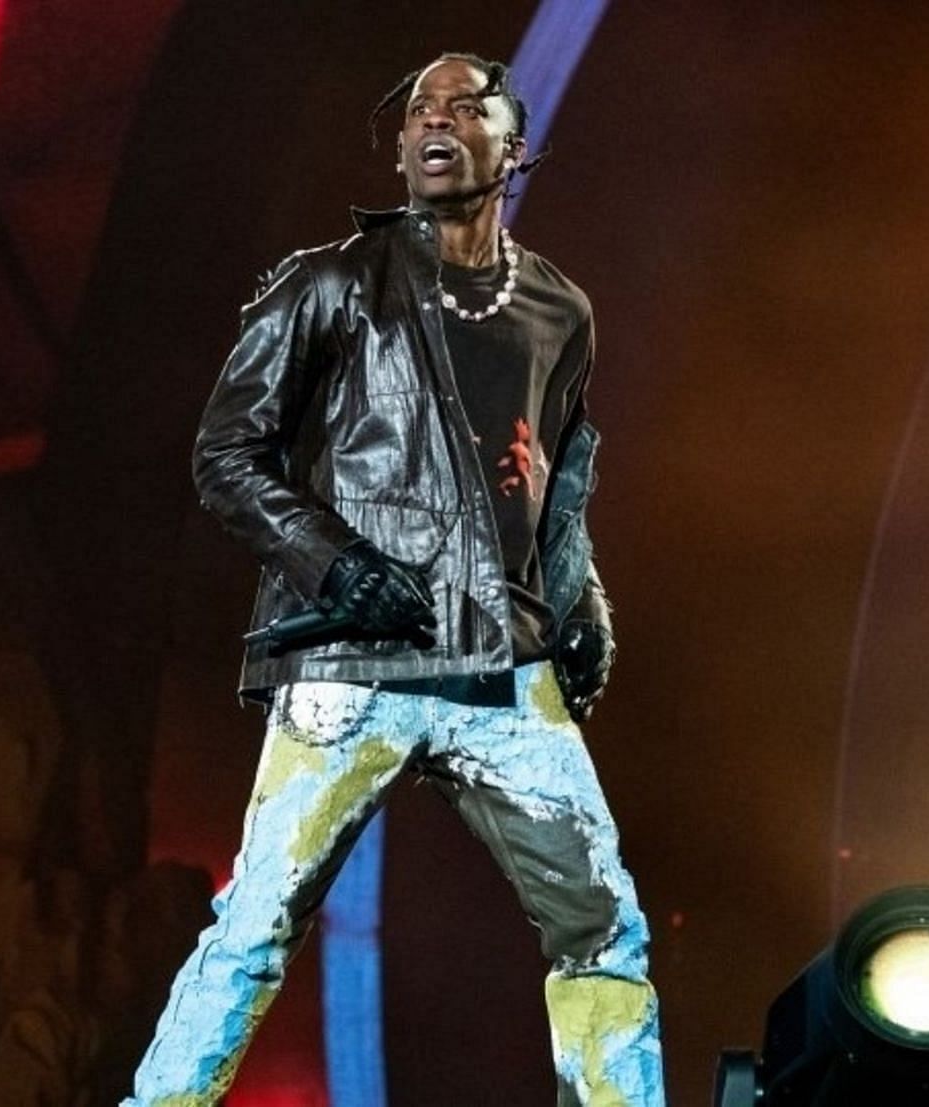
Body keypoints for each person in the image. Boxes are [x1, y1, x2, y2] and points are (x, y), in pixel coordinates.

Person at [124, 52, 663, 1106]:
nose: (436, 119)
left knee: (602, 924)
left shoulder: (558, 309)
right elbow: (226, 455)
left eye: (466, 105)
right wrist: (336, 563)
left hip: (503, 664)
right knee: (258, 923)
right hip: (350, 661)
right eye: (420, 106)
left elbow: (551, 480)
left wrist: (580, 600)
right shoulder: (329, 284)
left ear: (516, 144)